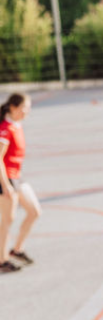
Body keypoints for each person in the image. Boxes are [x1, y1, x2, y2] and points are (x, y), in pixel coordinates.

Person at [0, 93, 41, 273]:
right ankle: (2, 260)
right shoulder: (5, 129)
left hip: (17, 176)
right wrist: (6, 185)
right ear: (14, 108)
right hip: (7, 178)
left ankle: (17, 249)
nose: (27, 112)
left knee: (34, 211)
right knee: (8, 220)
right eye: (25, 108)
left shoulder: (16, 124)